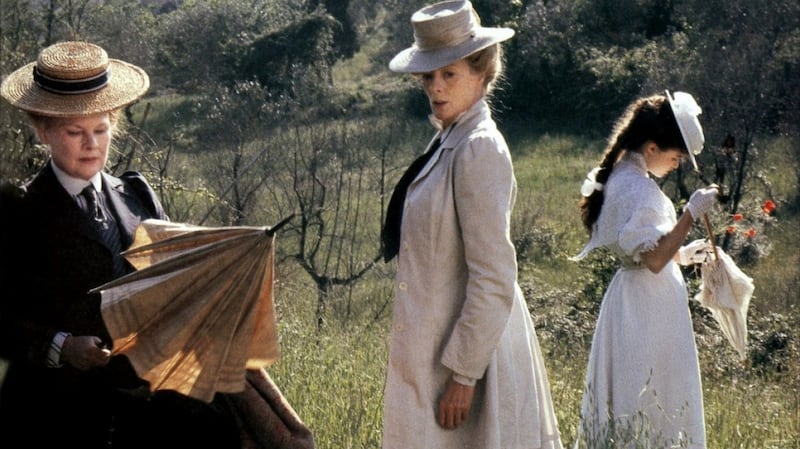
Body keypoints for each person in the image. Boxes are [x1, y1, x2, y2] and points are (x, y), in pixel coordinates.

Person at [0, 41, 241, 449]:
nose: (91, 144)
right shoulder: (18, 209)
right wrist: (61, 346)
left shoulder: (136, 196)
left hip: (141, 412)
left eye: (100, 130)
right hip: (52, 416)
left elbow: (171, 284)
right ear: (43, 130)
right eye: (75, 133)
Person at [380, 2, 563, 448]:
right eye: (428, 76)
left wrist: (464, 375)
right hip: (436, 342)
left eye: (450, 73)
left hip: (471, 356)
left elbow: (494, 274)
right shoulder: (449, 139)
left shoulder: (479, 147)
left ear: (482, 73)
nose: (436, 87)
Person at [571, 91, 718, 448]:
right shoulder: (640, 190)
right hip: (648, 310)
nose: (677, 164)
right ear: (652, 148)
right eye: (675, 157)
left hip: (632, 300)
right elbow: (652, 261)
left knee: (638, 394)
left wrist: (682, 255)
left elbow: (642, 253)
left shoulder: (622, 176)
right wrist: (690, 214)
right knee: (653, 395)